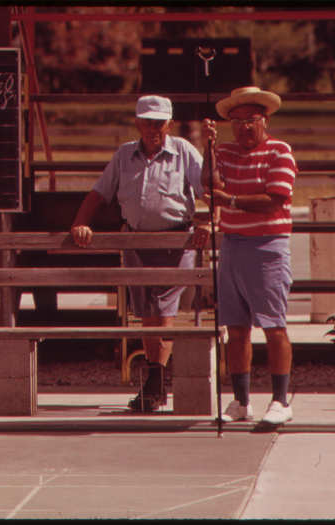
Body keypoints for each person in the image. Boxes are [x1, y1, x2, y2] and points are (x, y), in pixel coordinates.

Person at [70, 95, 207, 412]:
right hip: (136, 239)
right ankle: (156, 381)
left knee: (164, 310)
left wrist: (211, 220)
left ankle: (155, 382)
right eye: (146, 122)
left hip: (175, 241)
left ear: (169, 124)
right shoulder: (123, 155)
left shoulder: (184, 151)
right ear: (137, 122)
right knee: (147, 311)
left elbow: (208, 188)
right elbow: (98, 193)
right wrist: (79, 223)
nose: (152, 129)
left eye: (158, 122)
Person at [201, 86, 297, 424]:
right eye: (237, 121)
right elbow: (209, 186)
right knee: (236, 327)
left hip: (268, 245)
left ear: (264, 120)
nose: (244, 127)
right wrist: (209, 148)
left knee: (273, 325)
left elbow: (274, 198)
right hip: (232, 244)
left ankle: (281, 400)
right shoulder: (224, 151)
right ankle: (240, 401)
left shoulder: (280, 151)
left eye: (251, 120)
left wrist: (230, 200)